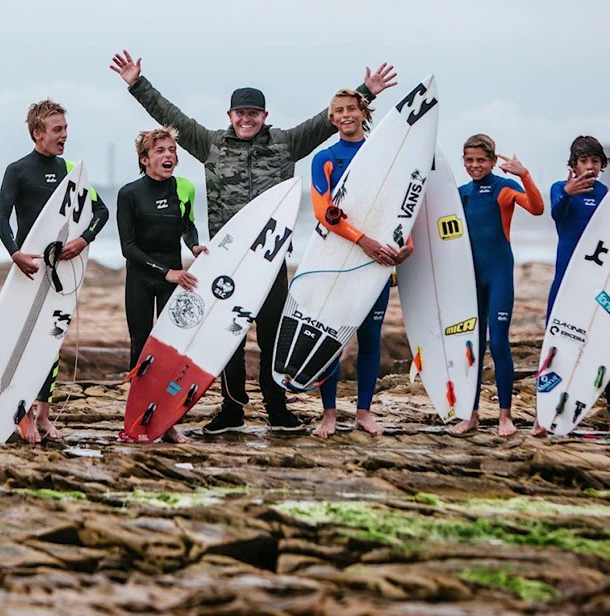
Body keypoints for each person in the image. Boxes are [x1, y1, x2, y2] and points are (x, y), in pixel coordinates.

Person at [110, 50, 398, 435]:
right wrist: (136, 84)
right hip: (227, 262)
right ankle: (232, 411)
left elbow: (324, 122)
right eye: (240, 113)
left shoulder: (284, 143)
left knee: (272, 335)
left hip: (269, 259)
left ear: (264, 116)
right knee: (227, 335)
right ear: (230, 116)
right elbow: (170, 115)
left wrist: (368, 91)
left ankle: (276, 408)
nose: (246, 119)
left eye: (253, 113)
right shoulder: (210, 144)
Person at [0, 99, 109, 443]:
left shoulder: (69, 170)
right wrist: (15, 254)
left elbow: (100, 211)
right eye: (57, 129)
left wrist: (83, 241)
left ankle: (43, 416)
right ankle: (23, 414)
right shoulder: (17, 170)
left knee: (51, 343)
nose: (64, 136)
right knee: (23, 341)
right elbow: (1, 218)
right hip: (28, 270)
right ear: (37, 133)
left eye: (65, 129)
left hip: (60, 273)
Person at [535, 135, 610, 436]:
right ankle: (542, 417)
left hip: (600, 286)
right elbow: (556, 214)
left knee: (608, 349)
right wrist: (567, 192)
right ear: (573, 165)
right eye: (583, 161)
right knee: (558, 348)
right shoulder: (558, 189)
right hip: (566, 285)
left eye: (594, 161)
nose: (589, 166)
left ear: (602, 164)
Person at [309, 90, 413, 438]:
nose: (345, 115)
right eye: (338, 110)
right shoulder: (325, 158)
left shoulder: (383, 155)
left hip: (377, 263)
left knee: (371, 338)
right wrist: (363, 241)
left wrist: (406, 246)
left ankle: (364, 413)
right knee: (332, 340)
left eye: (351, 108)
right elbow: (323, 213)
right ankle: (328, 414)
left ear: (363, 112)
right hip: (338, 260)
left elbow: (403, 207)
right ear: (332, 118)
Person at [117, 127, 209, 443]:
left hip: (174, 281)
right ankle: (136, 420)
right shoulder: (129, 194)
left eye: (171, 150)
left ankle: (168, 423)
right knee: (142, 351)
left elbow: (187, 225)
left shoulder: (183, 188)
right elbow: (127, 247)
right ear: (144, 159)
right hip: (142, 281)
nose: (169, 155)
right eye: (160, 151)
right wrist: (165, 271)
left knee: (173, 352)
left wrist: (195, 246)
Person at [450, 134, 544, 437]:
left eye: (481, 160)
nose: (475, 165)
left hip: (499, 273)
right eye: (469, 160)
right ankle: (471, 415)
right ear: (463, 161)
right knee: (472, 347)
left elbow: (537, 208)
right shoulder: (460, 194)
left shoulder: (504, 188)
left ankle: (505, 416)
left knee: (499, 343)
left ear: (492, 161)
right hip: (469, 279)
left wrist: (524, 175)